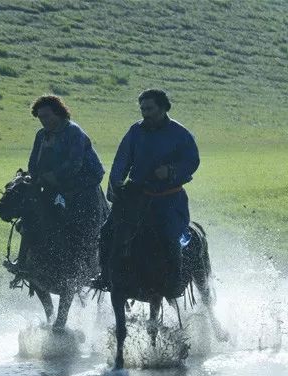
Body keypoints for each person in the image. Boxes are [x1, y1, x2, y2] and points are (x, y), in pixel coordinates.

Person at [92, 89, 200, 299]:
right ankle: (105, 275)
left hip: (169, 199)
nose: (145, 113)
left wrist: (170, 171)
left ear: (163, 107)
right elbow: (121, 161)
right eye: (142, 109)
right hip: (136, 197)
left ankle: (174, 283)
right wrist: (116, 185)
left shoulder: (180, 134)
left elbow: (192, 161)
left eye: (149, 109)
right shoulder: (135, 131)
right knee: (107, 231)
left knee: (170, 236)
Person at [14, 95, 106, 288]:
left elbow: (74, 165)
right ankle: (22, 263)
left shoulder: (74, 132)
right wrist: (34, 176)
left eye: (47, 116)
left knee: (85, 229)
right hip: (55, 187)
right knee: (30, 220)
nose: (43, 121)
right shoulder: (41, 135)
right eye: (40, 117)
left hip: (83, 189)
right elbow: (33, 162)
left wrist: (51, 177)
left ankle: (91, 269)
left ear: (59, 113)